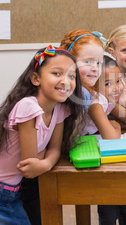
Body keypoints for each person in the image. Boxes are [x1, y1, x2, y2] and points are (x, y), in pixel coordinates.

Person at [0, 45, 83, 224]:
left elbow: (54, 148)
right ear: (36, 79)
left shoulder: (60, 109)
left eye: (71, 76)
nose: (66, 81)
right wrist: (45, 161)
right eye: (57, 73)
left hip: (14, 190)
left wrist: (45, 163)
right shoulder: (28, 107)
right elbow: (30, 165)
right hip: (4, 191)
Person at [59, 30, 126, 138]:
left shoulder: (100, 96)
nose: (95, 68)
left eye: (98, 63)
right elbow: (111, 138)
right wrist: (117, 125)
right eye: (88, 62)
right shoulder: (92, 100)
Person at [96, 55, 126, 225]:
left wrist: (125, 100)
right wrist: (115, 125)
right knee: (109, 209)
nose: (115, 88)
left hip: (109, 159)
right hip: (89, 163)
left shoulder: (109, 102)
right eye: (107, 84)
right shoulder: (95, 102)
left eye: (118, 81)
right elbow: (112, 137)